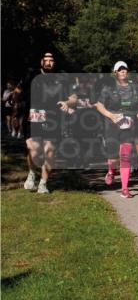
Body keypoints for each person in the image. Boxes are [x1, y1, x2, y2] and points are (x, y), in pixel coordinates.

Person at [23, 52, 75, 194]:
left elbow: (73, 98)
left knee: (50, 151)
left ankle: (43, 183)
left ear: (54, 63)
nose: (48, 62)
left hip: (53, 118)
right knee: (34, 150)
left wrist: (66, 102)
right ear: (41, 62)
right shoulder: (31, 76)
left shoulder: (62, 78)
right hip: (35, 116)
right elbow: (18, 92)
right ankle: (32, 172)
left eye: (51, 60)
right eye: (45, 60)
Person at [95, 61, 138, 199]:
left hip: (129, 125)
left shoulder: (134, 88)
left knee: (126, 156)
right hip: (112, 124)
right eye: (120, 70)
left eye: (125, 69)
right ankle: (111, 171)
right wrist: (111, 115)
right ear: (116, 72)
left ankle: (125, 189)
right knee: (113, 156)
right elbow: (99, 105)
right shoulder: (108, 88)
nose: (123, 71)